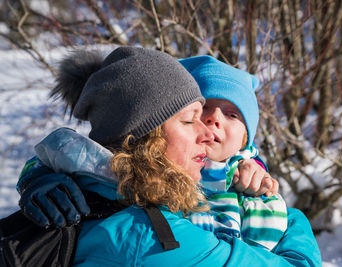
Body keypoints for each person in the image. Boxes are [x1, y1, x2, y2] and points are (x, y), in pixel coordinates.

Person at [17, 46, 321, 266]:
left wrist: (40, 173)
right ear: (146, 136)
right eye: (191, 119)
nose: (207, 129)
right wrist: (293, 219)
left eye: (231, 115)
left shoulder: (104, 194)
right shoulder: (154, 236)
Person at [177, 55, 287, 251]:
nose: (214, 118)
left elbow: (267, 252)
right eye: (204, 107)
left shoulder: (253, 186)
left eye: (231, 114)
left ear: (245, 140)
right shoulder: (162, 172)